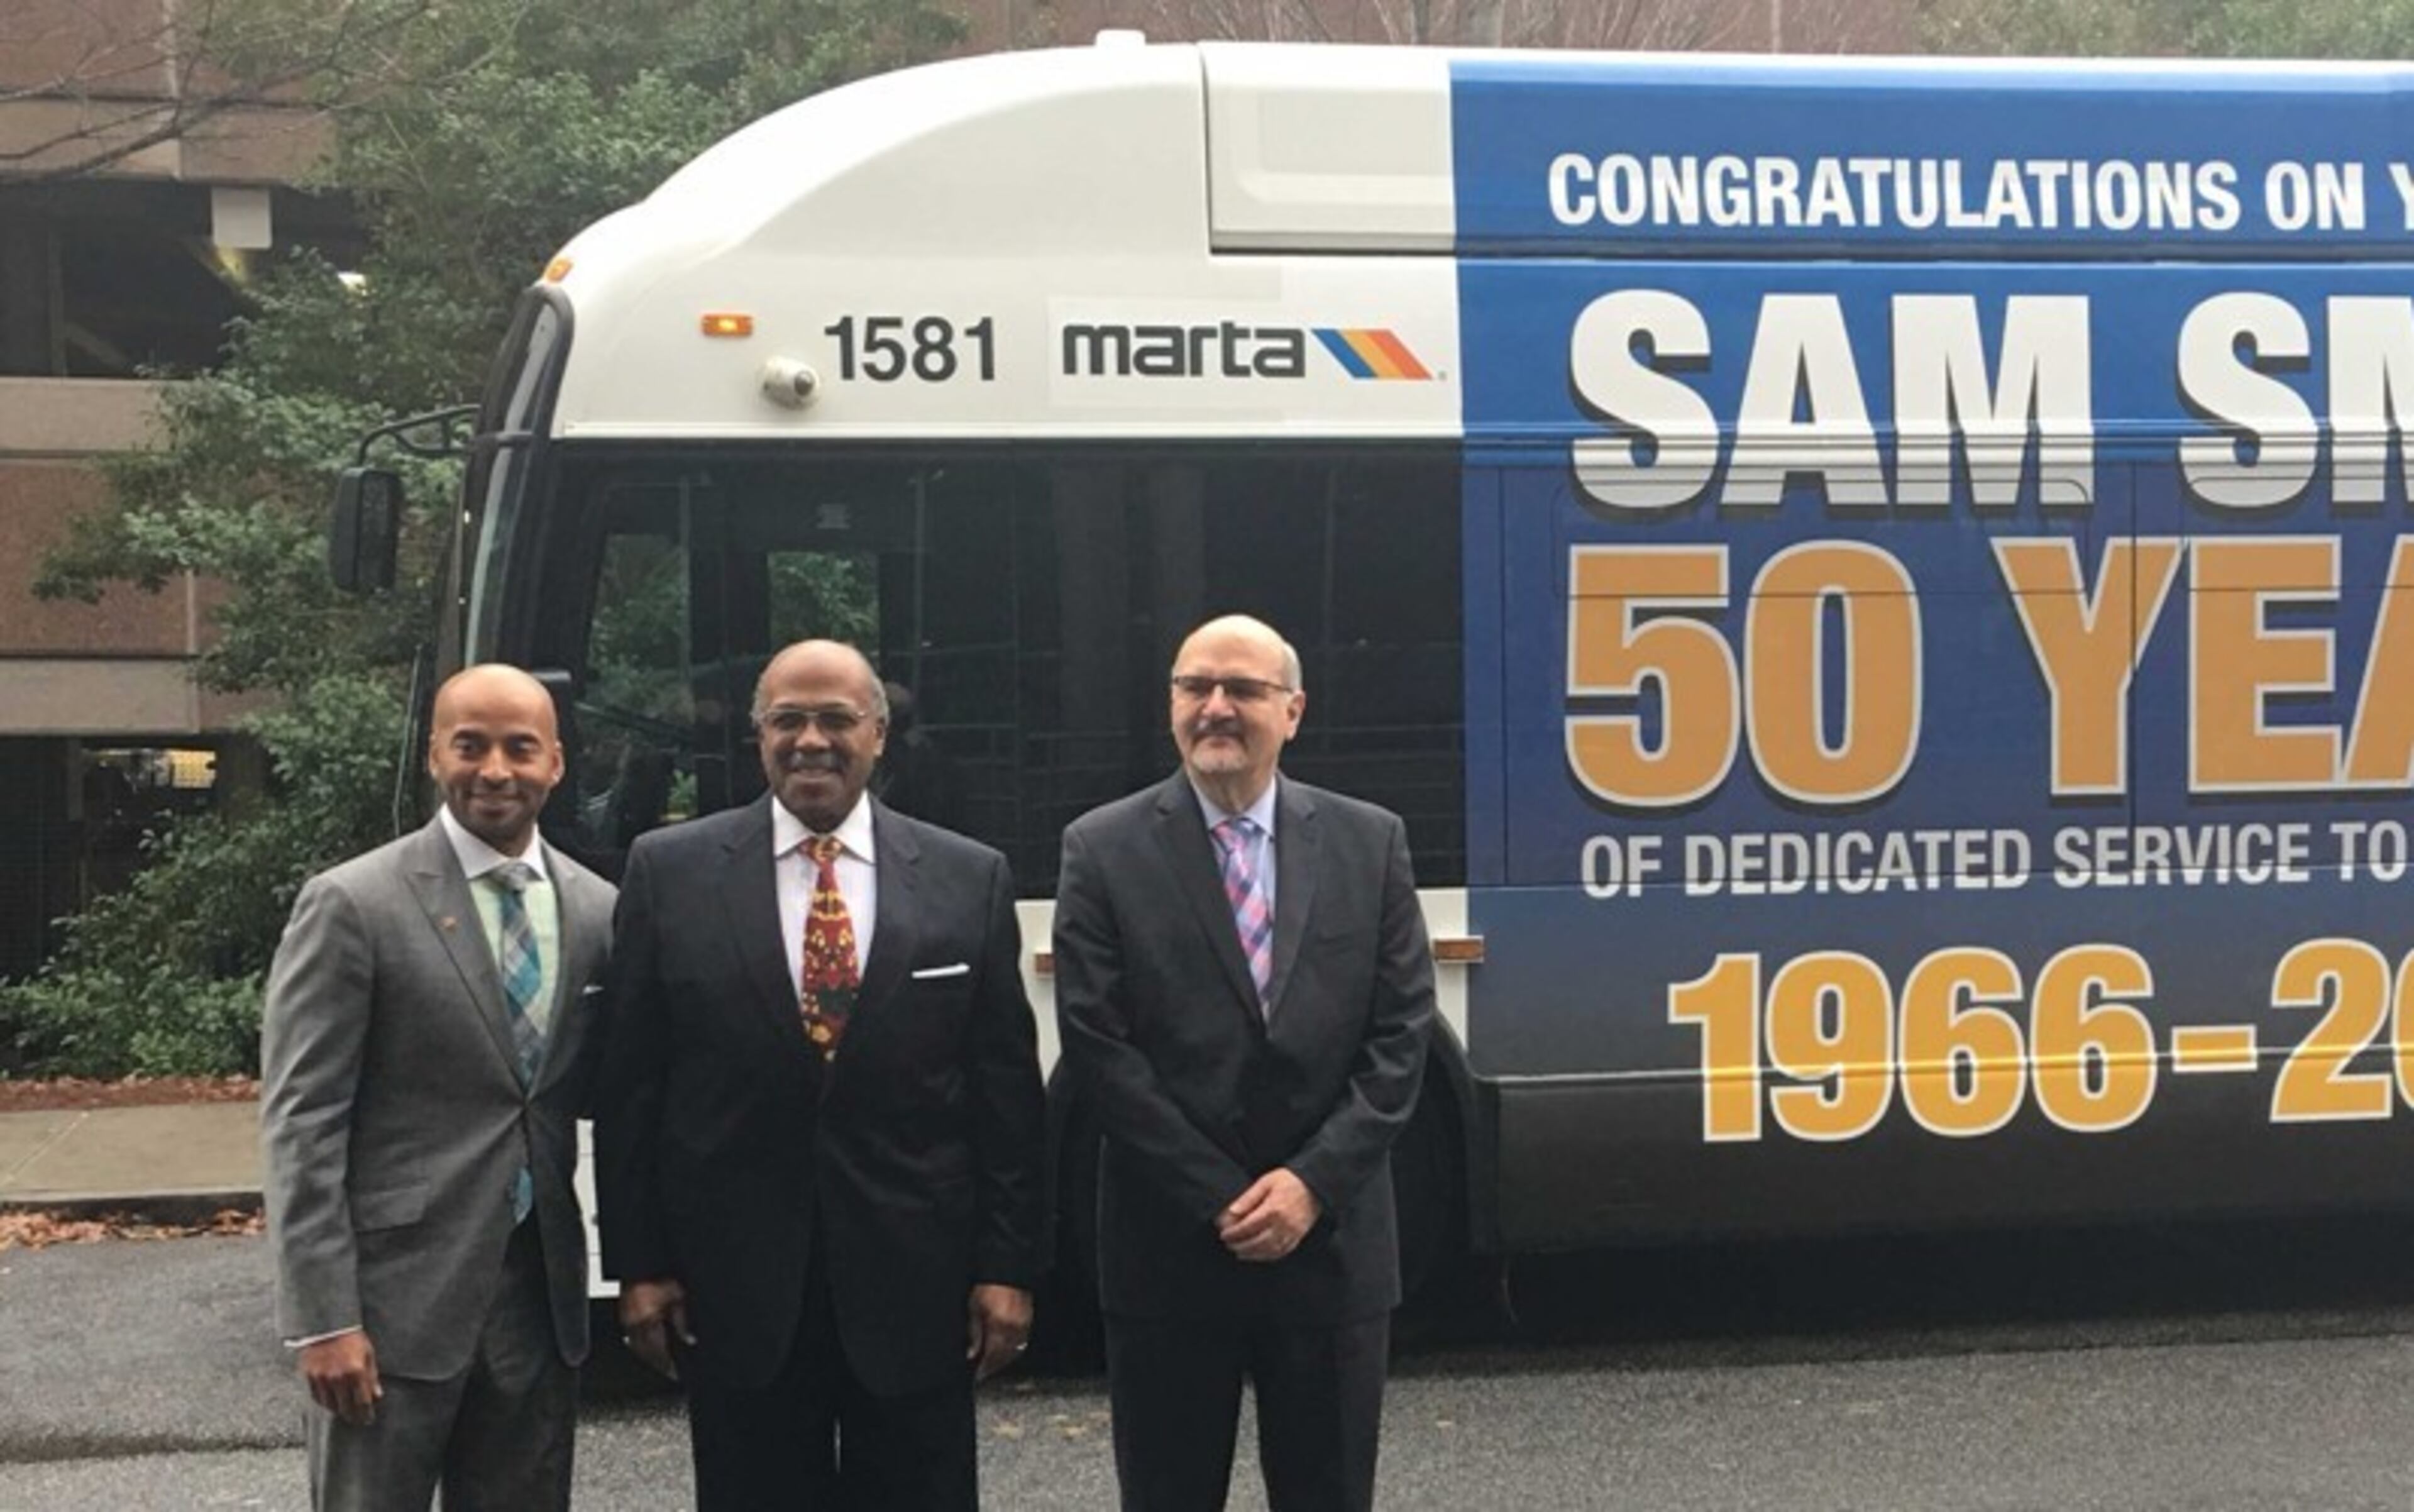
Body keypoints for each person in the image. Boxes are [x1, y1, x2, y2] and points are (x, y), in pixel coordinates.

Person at [593, 638, 1045, 1511]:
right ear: (757, 736)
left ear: (879, 734)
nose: (811, 739)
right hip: (737, 1290)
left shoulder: (968, 878)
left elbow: (1005, 1099)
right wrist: (639, 1264)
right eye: (787, 719)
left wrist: (1009, 1266)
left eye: (836, 718)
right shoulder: (669, 872)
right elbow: (633, 1086)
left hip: (918, 1288)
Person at [1052, 614, 1437, 1512]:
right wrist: (1216, 1192)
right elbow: (1099, 1047)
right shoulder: (1100, 849)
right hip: (1170, 1252)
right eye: (1195, 688)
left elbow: (1401, 1032)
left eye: (1243, 690)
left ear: (1293, 710)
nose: (1216, 708)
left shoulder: (1369, 841)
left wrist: (1310, 1184)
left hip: (1332, 1251)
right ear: (1171, 705)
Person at [260, 663, 617, 1511]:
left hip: (539, 1299)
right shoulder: (353, 903)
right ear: (434, 756)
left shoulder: (601, 910)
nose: (495, 768)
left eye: (519, 747)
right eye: (471, 744)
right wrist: (324, 1317)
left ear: (556, 764)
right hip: (390, 1309)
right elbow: (302, 1119)